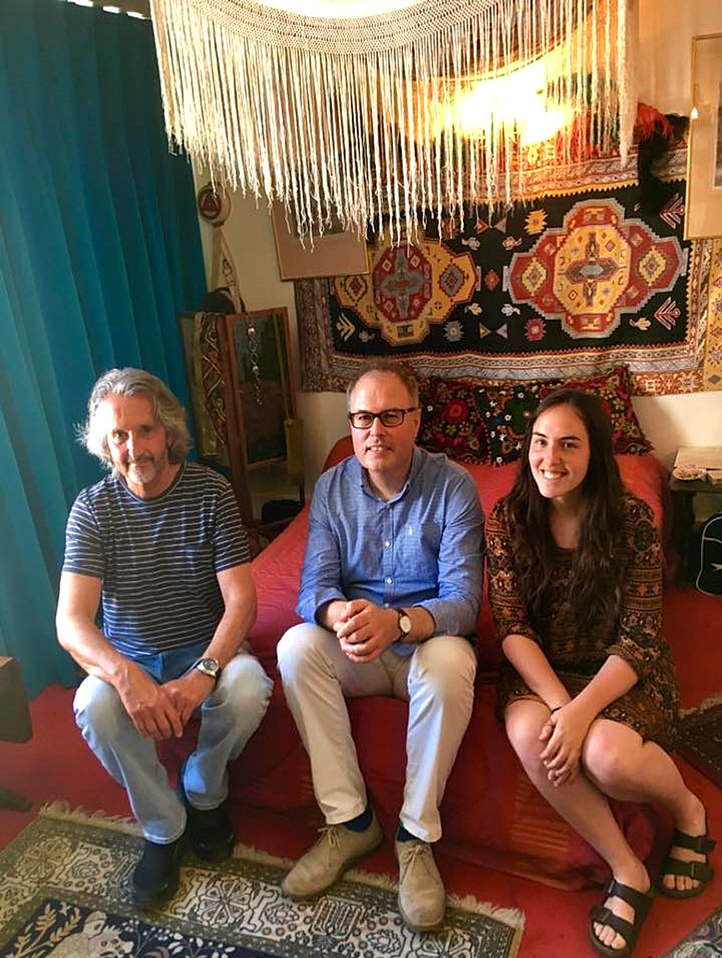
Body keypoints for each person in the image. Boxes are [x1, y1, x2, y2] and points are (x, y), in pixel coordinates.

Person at [487, 389, 715, 958]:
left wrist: (580, 713)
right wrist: (560, 706)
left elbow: (640, 633)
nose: (550, 458)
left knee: (606, 757)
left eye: (569, 444)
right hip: (544, 670)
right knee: (529, 735)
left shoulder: (631, 519)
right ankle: (626, 868)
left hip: (623, 667)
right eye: (540, 443)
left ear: (596, 455)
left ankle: (690, 810)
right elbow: (512, 627)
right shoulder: (507, 518)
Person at [276, 359, 484, 932]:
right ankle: (350, 822)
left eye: (390, 416)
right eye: (363, 418)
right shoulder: (331, 487)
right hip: (360, 648)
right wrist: (340, 614)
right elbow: (313, 587)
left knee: (449, 666)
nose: (375, 431)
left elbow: (466, 602)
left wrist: (397, 623)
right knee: (295, 648)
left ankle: (415, 837)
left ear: (417, 420)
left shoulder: (455, 487)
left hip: (425, 639)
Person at [56, 368, 272, 906]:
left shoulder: (210, 491)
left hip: (204, 650)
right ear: (104, 444)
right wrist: (125, 675)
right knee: (93, 704)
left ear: (168, 430)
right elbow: (71, 622)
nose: (134, 448)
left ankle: (203, 790)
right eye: (119, 436)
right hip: (132, 656)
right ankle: (163, 823)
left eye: (145, 431)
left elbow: (242, 600)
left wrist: (203, 673)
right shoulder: (92, 509)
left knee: (249, 688)